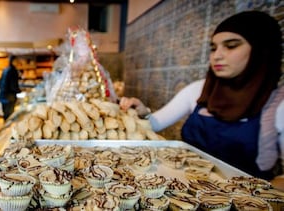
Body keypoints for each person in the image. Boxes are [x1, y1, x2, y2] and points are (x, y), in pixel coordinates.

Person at [120, 11, 284, 181]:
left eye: (231, 45)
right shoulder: (199, 90)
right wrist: (141, 112)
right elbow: (154, 124)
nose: (217, 56)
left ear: (261, 50)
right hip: (184, 189)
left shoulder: (278, 104)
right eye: (213, 48)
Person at [0, 55, 21, 119]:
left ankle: (5, 127)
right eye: (17, 61)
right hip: (9, 97)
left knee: (5, 115)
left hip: (3, 96)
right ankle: (8, 129)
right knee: (10, 116)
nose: (18, 62)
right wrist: (20, 91)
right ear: (13, 61)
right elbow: (13, 86)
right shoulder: (13, 71)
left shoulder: (5, 70)